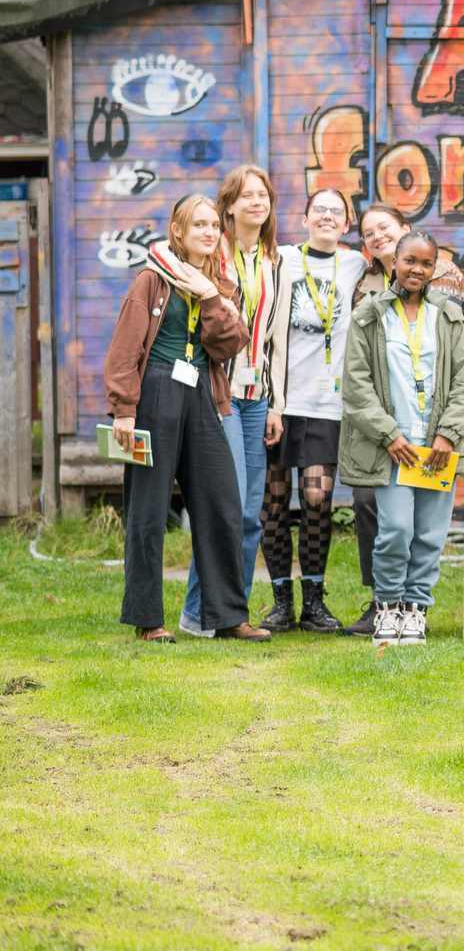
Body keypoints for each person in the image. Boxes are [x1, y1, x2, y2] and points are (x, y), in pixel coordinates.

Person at [104, 195, 268, 642]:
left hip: (202, 392)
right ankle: (147, 620)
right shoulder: (151, 279)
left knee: (222, 504)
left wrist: (210, 297)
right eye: (199, 225)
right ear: (178, 230)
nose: (209, 232)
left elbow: (229, 344)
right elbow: (124, 350)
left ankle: (228, 616)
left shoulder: (219, 284)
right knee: (149, 509)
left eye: (214, 225)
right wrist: (124, 410)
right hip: (156, 391)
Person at [340, 232, 464, 646]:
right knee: (396, 529)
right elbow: (356, 386)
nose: (417, 269)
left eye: (426, 263)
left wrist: (448, 435)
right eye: (410, 261)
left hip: (435, 449)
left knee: (430, 534)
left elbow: (463, 383)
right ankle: (387, 606)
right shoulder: (369, 315)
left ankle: (415, 610)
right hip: (394, 449)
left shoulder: (448, 315)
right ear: (394, 262)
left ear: (436, 268)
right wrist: (388, 434)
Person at [177, 164, 277, 636]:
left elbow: (274, 339)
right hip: (222, 394)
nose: (257, 202)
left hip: (258, 397)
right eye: (247, 195)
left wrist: (276, 402)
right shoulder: (211, 255)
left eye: (264, 195)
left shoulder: (276, 260)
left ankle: (227, 612)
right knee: (228, 507)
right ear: (230, 206)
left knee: (251, 514)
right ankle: (208, 613)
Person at [260, 188, 364, 633]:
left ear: (346, 224)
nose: (327, 216)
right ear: (304, 219)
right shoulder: (281, 259)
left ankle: (315, 603)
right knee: (274, 501)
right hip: (280, 401)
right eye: (318, 209)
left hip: (327, 404)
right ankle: (281, 602)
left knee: (318, 499)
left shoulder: (356, 264)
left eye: (336, 212)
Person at [339, 202, 408, 636]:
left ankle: (411, 600)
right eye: (369, 233)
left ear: (405, 227)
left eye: (385, 227)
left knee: (415, 507)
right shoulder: (361, 284)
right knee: (367, 501)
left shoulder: (442, 274)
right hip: (372, 412)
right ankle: (380, 599)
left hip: (422, 410)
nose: (378, 236)